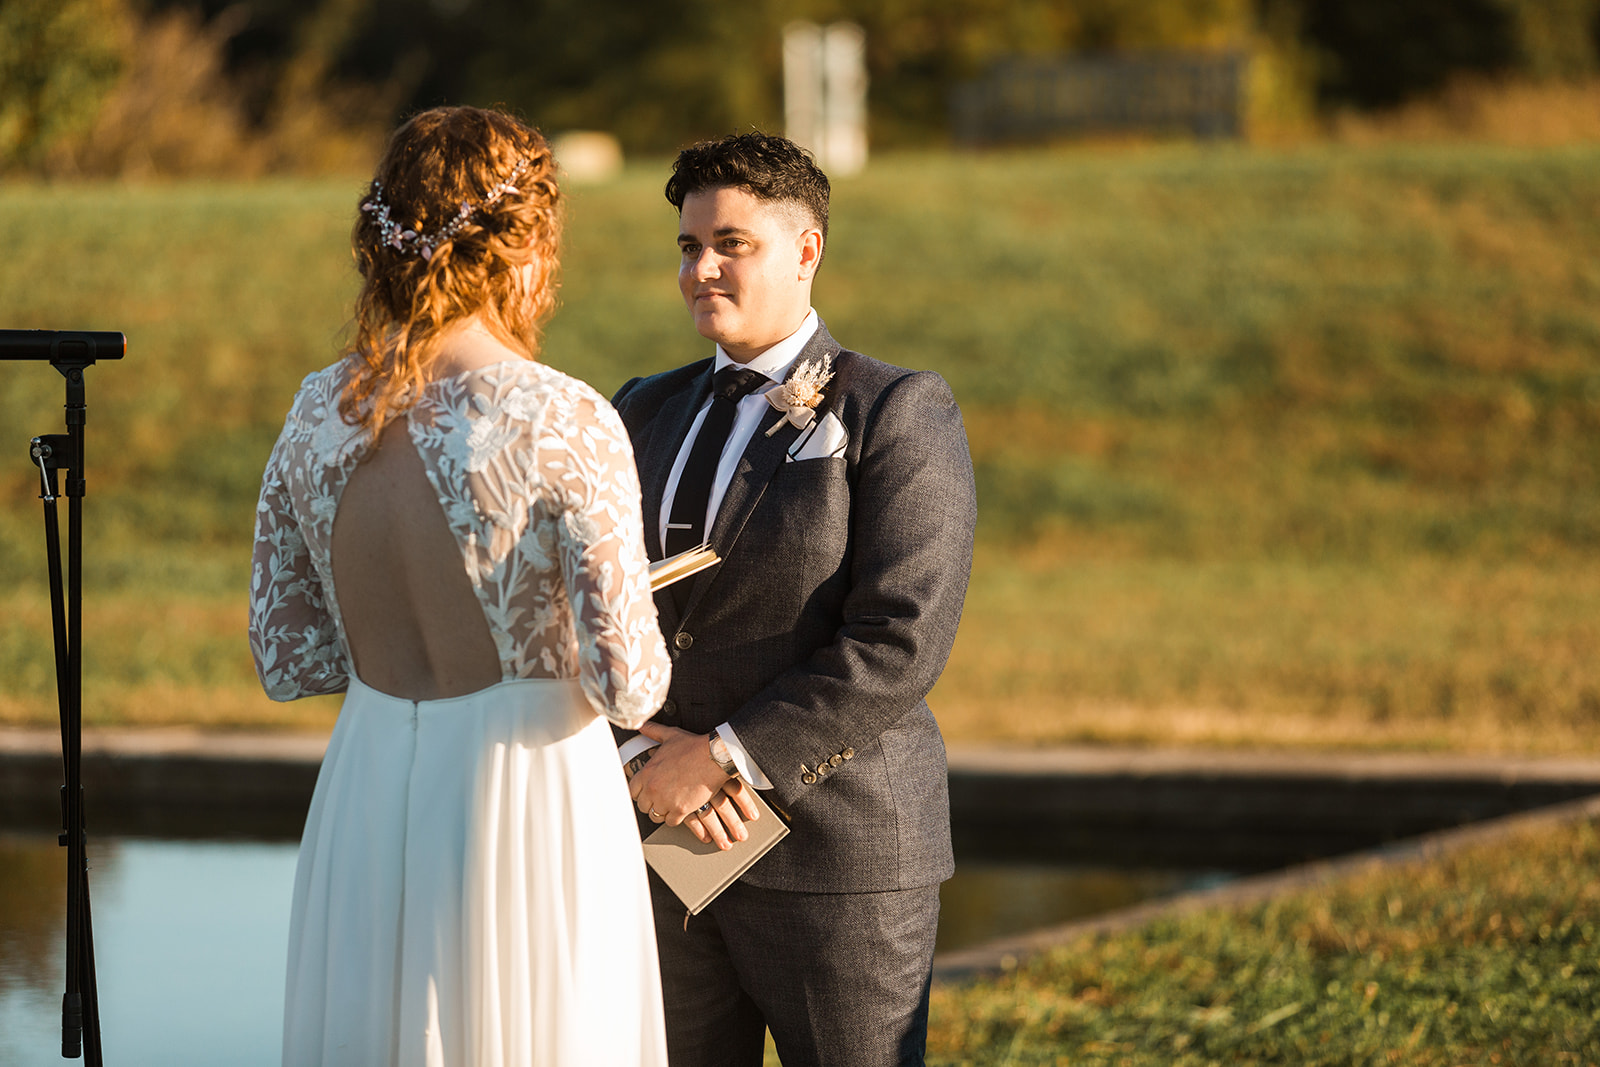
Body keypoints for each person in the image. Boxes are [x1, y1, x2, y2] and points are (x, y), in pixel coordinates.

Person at [248, 106, 672, 1066]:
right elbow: (631, 685)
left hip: (364, 784)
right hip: (524, 794)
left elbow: (289, 657)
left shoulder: (319, 409)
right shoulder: (562, 415)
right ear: (526, 242)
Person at [613, 132, 977, 1066]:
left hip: (838, 857)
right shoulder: (639, 410)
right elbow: (589, 606)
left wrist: (729, 756)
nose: (702, 268)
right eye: (690, 246)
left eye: (733, 243)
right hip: (665, 847)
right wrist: (641, 756)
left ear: (807, 249)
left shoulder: (894, 409)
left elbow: (899, 639)